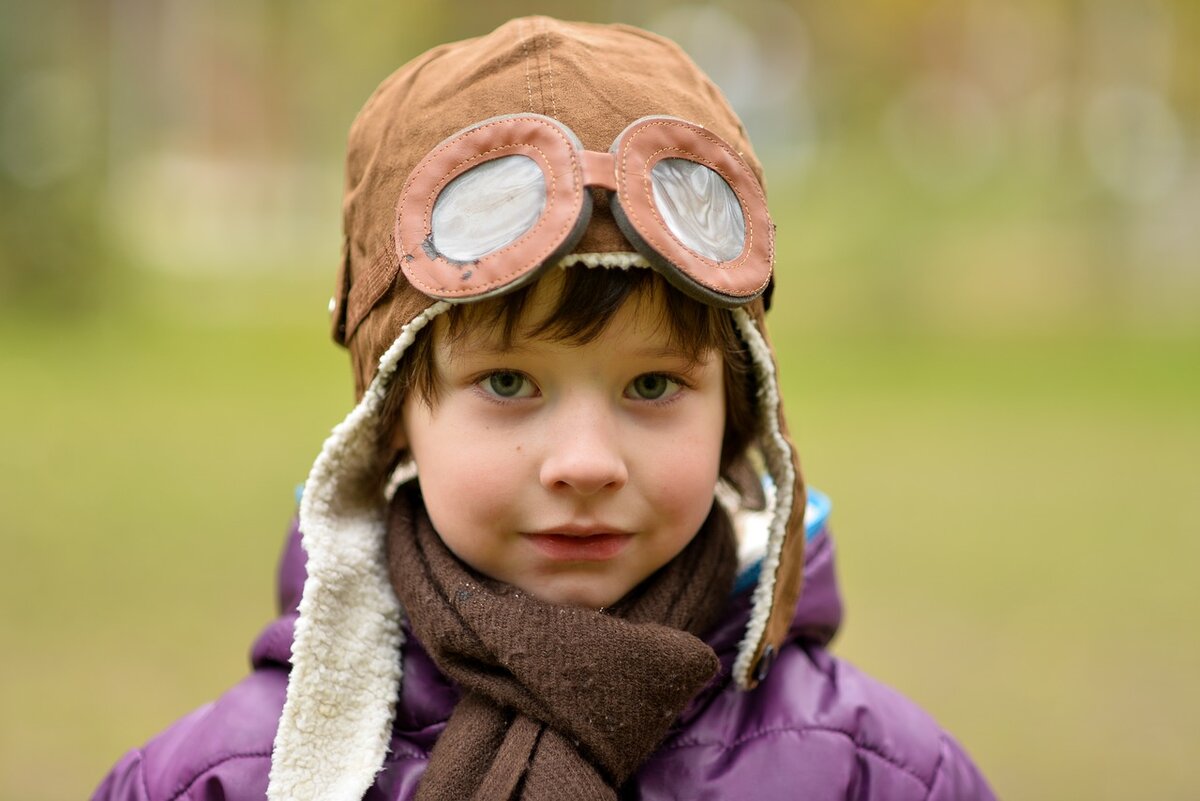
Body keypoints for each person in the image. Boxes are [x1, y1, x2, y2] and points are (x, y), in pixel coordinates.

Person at [93, 16, 996, 801]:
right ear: (392, 416)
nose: (586, 462)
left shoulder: (872, 774)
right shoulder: (227, 780)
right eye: (508, 383)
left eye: (652, 385)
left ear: (739, 412)